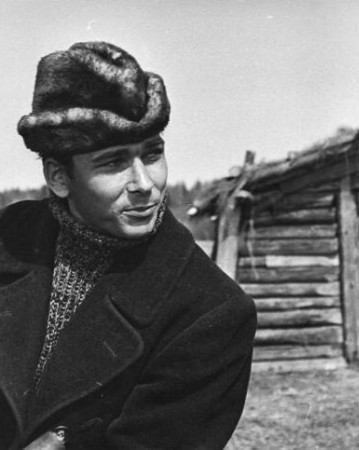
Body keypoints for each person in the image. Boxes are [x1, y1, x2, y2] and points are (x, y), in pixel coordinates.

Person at [0, 41, 257, 450]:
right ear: (58, 177)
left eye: (152, 154)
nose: (144, 183)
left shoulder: (212, 311)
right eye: (114, 162)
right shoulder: (7, 239)